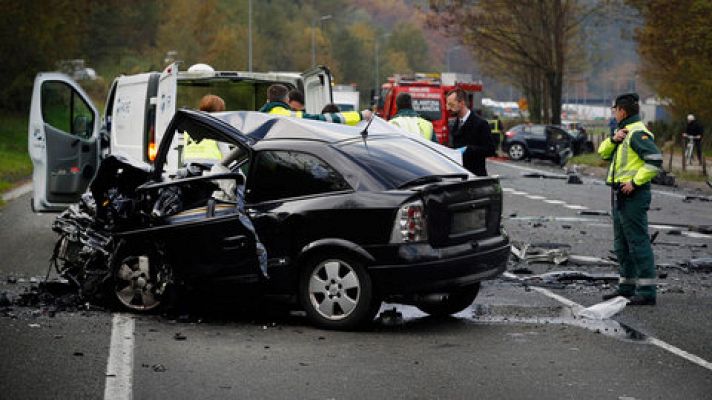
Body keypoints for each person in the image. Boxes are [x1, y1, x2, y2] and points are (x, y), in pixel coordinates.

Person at [598, 93, 662, 306]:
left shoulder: (637, 134)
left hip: (633, 194)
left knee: (637, 242)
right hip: (620, 194)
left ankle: (647, 291)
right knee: (621, 244)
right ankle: (626, 287)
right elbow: (603, 154)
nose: (614, 113)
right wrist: (612, 139)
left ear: (622, 111)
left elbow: (654, 161)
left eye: (615, 110)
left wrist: (634, 183)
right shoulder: (622, 132)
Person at [259, 84, 371, 125]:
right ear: (287, 99)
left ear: (268, 100)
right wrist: (360, 115)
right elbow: (324, 120)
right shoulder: (290, 116)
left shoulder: (258, 116)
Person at [445, 88, 496, 176]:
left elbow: (490, 150)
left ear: (462, 103)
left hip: (475, 177)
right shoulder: (454, 124)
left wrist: (469, 149)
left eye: (451, 104)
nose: (448, 108)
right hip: (459, 175)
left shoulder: (480, 123)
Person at [183, 94, 225, 163]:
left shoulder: (190, 124)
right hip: (211, 168)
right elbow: (226, 153)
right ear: (218, 111)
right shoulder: (216, 125)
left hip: (189, 166)